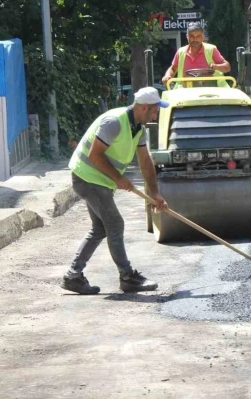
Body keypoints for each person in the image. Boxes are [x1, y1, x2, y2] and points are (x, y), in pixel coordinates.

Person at [61, 87, 169, 295]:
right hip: (87, 177)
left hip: (100, 180)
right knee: (115, 223)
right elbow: (95, 155)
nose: (156, 114)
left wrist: (154, 194)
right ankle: (127, 276)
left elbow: (145, 161)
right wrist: (118, 178)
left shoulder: (139, 129)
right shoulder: (114, 122)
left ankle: (73, 276)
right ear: (144, 107)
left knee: (101, 228)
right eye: (155, 110)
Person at [161, 22, 231, 86]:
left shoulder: (211, 50)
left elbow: (227, 67)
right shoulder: (181, 52)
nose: (195, 39)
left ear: (202, 37)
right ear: (187, 36)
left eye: (198, 36)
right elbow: (173, 69)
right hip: (186, 92)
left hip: (212, 91)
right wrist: (167, 76)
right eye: (192, 36)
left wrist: (215, 66)